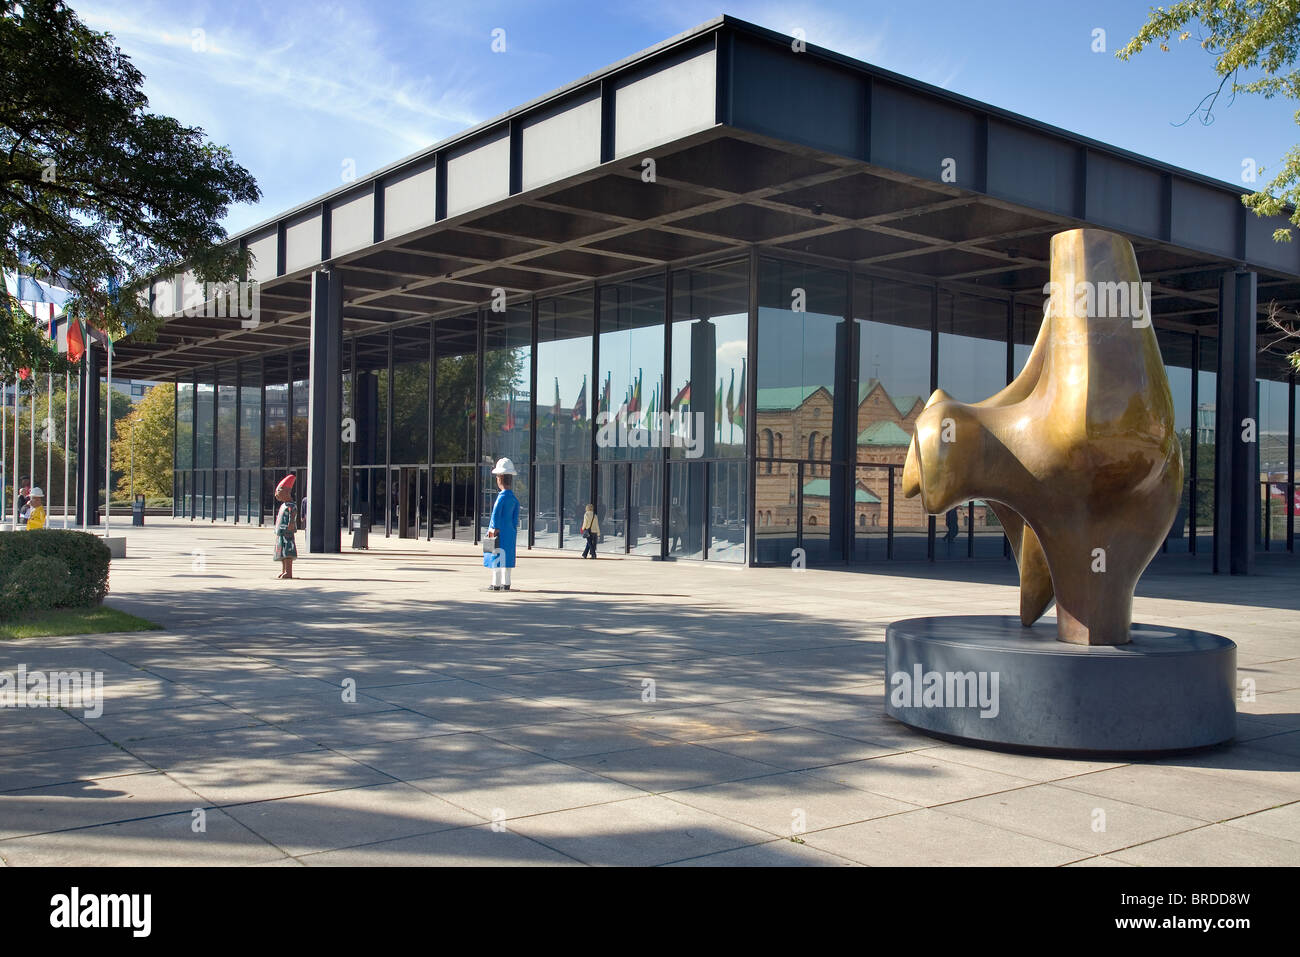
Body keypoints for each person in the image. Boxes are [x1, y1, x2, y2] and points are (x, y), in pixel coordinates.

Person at [484, 458, 519, 591]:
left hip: (498, 532)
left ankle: (496, 583)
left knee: (496, 556)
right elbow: (515, 518)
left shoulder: (501, 497)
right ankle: (507, 582)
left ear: (499, 479)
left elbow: (495, 515)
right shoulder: (514, 499)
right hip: (510, 531)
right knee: (508, 556)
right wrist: (513, 528)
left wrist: (493, 529)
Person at [273, 474, 298, 579]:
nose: (277, 495)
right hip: (281, 532)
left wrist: (291, 524)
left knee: (288, 552)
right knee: (282, 552)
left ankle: (288, 571)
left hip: (287, 532)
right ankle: (284, 570)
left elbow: (292, 516)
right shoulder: (284, 505)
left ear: (286, 492)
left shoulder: (291, 506)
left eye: (279, 492)